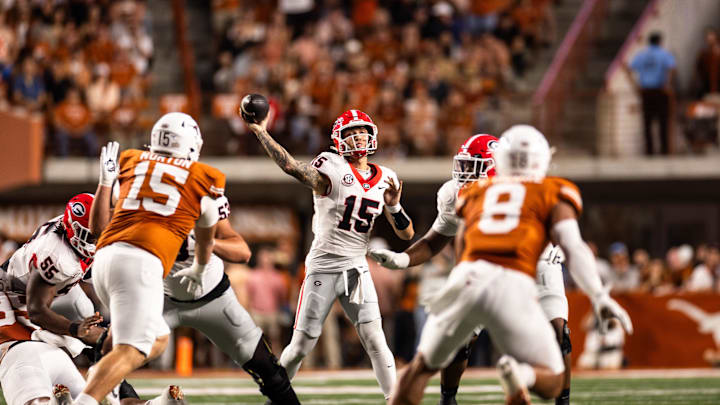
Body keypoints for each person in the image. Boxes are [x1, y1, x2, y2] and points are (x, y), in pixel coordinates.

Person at [388, 125, 633, 405]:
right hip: (515, 280)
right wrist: (599, 295)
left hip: (475, 276)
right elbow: (574, 248)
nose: (466, 173)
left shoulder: (469, 196)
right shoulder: (553, 191)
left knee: (419, 368)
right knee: (551, 377)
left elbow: (461, 246)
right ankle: (523, 376)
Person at [371, 134, 574, 405]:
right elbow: (437, 239)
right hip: (485, 271)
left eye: (472, 167)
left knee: (558, 333)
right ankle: (452, 397)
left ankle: (557, 396)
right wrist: (402, 260)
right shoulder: (457, 193)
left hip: (535, 267)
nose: (464, 174)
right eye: (463, 165)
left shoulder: (527, 192)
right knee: (458, 342)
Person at [89, 165, 302, 405]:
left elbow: (242, 252)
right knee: (106, 354)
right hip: (162, 298)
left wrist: (208, 243)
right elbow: (99, 230)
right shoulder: (139, 200)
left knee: (267, 368)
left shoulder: (205, 197)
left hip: (214, 298)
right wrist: (105, 184)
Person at [244, 108, 415, 402]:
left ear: (372, 134)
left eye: (361, 130)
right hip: (324, 268)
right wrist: (261, 132)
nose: (357, 136)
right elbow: (293, 168)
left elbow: (407, 235)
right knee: (300, 346)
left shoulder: (386, 177)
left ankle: (395, 399)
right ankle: (275, 398)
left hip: (356, 269)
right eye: (350, 132)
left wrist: (395, 206)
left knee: (375, 339)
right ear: (339, 140)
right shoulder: (331, 166)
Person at [75, 112, 225, 405]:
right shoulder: (203, 179)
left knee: (156, 338)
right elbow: (207, 235)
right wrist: (200, 267)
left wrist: (105, 182)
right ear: (192, 145)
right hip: (140, 262)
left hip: (104, 259)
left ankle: (108, 382)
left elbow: (96, 229)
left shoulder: (134, 164)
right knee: (133, 349)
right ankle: (86, 400)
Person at [624, 32, 676, 155]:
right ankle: (664, 151)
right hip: (660, 91)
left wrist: (635, 87)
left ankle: (649, 152)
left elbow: (628, 69)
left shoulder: (642, 55)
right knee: (663, 122)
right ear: (660, 42)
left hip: (646, 92)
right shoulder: (664, 54)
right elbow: (671, 69)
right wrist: (667, 85)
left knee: (647, 123)